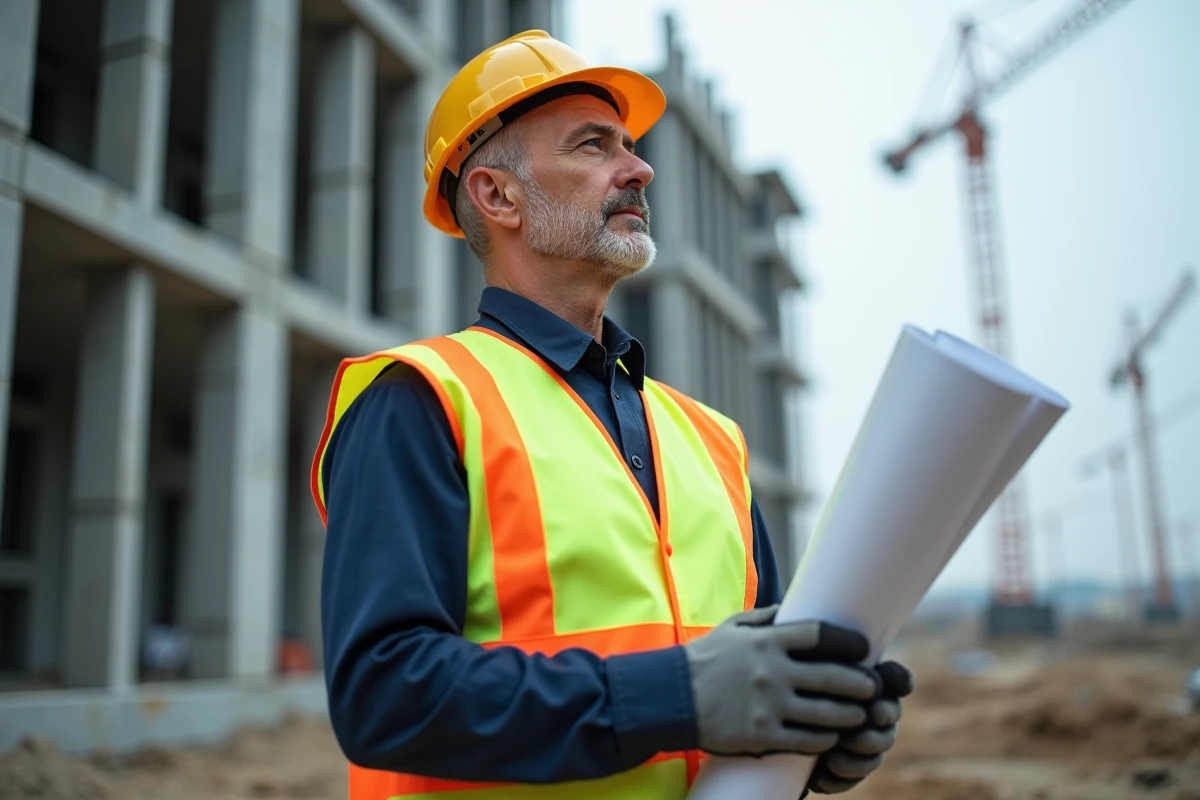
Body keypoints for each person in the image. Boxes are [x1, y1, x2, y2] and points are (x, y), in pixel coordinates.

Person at [312, 30, 913, 800]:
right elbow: (383, 696)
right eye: (594, 146)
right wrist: (679, 697)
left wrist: (815, 727)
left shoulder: (712, 440)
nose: (640, 168)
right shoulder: (422, 398)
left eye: (628, 144)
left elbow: (753, 672)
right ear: (498, 196)